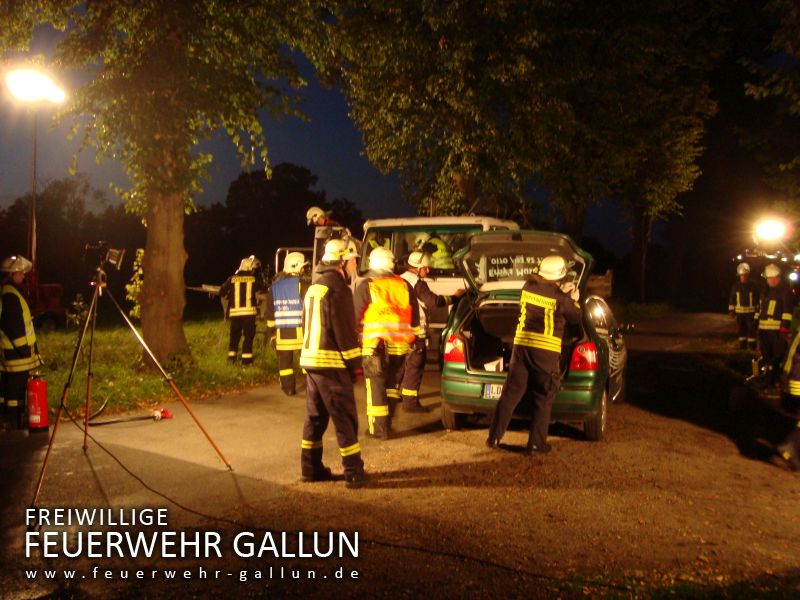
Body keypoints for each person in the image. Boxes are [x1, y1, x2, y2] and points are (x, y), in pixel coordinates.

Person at [486, 255, 582, 455]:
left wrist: (560, 293)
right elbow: (575, 316)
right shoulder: (561, 298)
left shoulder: (527, 287)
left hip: (520, 349)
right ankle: (536, 443)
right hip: (545, 354)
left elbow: (546, 295)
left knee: (510, 395)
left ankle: (494, 437)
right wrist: (573, 299)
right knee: (543, 398)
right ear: (560, 276)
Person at [299, 239, 367, 488]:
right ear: (342, 261)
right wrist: (355, 367)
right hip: (332, 364)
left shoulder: (314, 287)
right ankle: (353, 472)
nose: (354, 265)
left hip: (311, 362)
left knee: (315, 418)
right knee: (345, 417)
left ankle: (310, 467)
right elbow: (344, 332)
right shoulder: (339, 289)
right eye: (353, 260)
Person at [354, 246, 421, 439]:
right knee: (391, 388)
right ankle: (388, 423)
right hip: (400, 348)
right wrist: (415, 340)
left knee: (375, 387)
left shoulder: (368, 285)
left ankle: (379, 429)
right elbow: (414, 317)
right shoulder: (404, 285)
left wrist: (355, 337)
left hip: (375, 347)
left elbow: (354, 317)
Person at [398, 251, 465, 412]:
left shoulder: (399, 279)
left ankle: (392, 396)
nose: (428, 271)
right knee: (415, 366)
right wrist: (455, 297)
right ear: (418, 268)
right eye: (425, 268)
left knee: (399, 365)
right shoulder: (418, 284)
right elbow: (434, 302)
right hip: (415, 331)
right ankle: (410, 403)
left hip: (398, 331)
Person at [0, 255, 43, 430]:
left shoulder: (9, 293)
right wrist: (23, 349)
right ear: (12, 274)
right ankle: (13, 422)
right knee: (15, 393)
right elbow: (14, 326)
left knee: (9, 390)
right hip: (17, 356)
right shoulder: (11, 296)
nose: (23, 276)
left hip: (11, 354)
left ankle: (10, 420)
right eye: (20, 273)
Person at [265, 252, 309, 395]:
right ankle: (312, 387)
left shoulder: (274, 288)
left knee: (285, 364)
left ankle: (288, 389)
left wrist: (271, 334)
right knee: (307, 361)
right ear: (297, 268)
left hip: (282, 334)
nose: (304, 270)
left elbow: (270, 314)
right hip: (302, 333)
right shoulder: (303, 285)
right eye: (303, 267)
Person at [220, 255, 266, 365]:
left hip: (235, 314)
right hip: (249, 314)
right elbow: (264, 291)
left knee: (234, 337)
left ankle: (231, 359)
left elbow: (222, 292)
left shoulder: (231, 279)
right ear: (249, 268)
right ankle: (246, 361)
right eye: (253, 269)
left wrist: (229, 296)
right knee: (248, 337)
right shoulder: (254, 280)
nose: (254, 271)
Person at [756, 263, 794, 386]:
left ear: (779, 277)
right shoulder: (764, 292)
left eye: (775, 277)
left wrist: (784, 327)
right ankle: (768, 379)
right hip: (764, 331)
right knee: (766, 356)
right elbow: (761, 310)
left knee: (777, 357)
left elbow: (787, 312)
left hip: (777, 332)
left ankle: (773, 381)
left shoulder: (785, 292)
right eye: (769, 278)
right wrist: (756, 326)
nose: (772, 280)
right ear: (766, 279)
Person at [728, 262, 759, 350]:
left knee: (751, 331)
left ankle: (752, 348)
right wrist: (731, 310)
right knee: (741, 331)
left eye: (745, 275)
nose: (743, 277)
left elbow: (758, 300)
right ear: (739, 276)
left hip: (751, 314)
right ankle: (743, 348)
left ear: (748, 275)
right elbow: (732, 298)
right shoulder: (735, 286)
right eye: (742, 275)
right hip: (740, 314)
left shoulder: (754, 286)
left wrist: (757, 312)